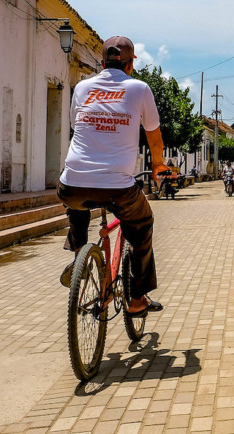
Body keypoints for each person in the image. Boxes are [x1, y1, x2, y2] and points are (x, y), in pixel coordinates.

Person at [57, 36, 166, 316]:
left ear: (102, 64)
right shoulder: (139, 89)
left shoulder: (82, 88)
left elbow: (74, 124)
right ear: (130, 65)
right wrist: (157, 166)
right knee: (142, 224)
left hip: (72, 184)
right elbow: (154, 138)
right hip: (118, 188)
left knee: (76, 201)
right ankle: (138, 298)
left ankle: (80, 251)